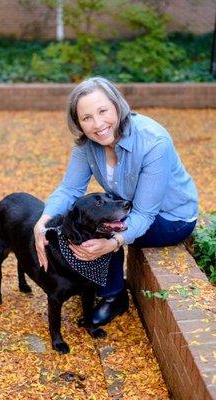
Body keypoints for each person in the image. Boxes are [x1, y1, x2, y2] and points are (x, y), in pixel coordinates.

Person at [34, 76, 198, 327]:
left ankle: (114, 296)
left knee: (98, 231)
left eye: (103, 111)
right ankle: (85, 279)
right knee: (84, 225)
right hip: (128, 209)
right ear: (78, 122)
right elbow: (70, 189)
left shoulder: (153, 141)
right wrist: (43, 222)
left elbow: (144, 214)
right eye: (86, 117)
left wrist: (112, 243)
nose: (98, 124)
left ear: (117, 106)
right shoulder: (88, 143)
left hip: (170, 218)